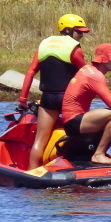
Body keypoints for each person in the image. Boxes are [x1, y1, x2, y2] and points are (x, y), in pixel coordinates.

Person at [18, 14, 89, 169]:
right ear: (68, 30)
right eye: (79, 31)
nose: (82, 35)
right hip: (69, 99)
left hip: (48, 99)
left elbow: (30, 72)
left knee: (39, 140)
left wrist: (23, 100)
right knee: (79, 134)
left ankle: (33, 173)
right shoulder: (74, 48)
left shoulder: (44, 44)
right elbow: (85, 74)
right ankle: (81, 166)